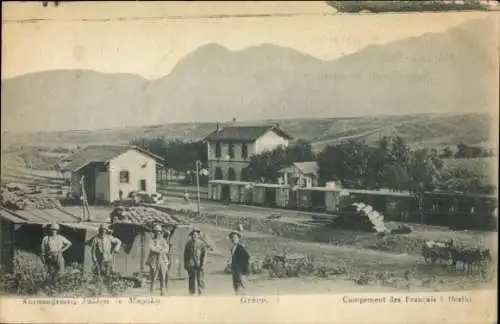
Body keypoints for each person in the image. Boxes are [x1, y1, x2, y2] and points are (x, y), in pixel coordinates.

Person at [147, 224, 170, 296]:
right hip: (154, 260)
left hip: (163, 260)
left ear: (161, 232)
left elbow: (167, 249)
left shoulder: (163, 240)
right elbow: (152, 248)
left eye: (159, 232)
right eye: (156, 232)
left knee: (163, 275)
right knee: (153, 275)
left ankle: (162, 290)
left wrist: (161, 249)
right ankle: (152, 291)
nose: (158, 233)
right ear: (154, 232)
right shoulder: (152, 240)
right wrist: (159, 249)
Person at [183, 228, 206, 295]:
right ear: (191, 236)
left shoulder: (201, 243)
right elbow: (185, 254)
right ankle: (191, 292)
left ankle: (201, 292)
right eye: (193, 235)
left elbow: (204, 254)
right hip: (191, 263)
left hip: (199, 263)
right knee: (191, 278)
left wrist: (203, 263)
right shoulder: (188, 243)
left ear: (198, 235)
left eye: (196, 235)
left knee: (200, 278)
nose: (195, 236)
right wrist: (185, 263)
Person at [228, 231, 250, 295]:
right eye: (232, 238)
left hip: (241, 272)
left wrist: (244, 272)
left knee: (241, 288)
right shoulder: (233, 248)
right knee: (236, 287)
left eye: (235, 237)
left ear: (238, 239)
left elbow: (246, 258)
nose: (233, 239)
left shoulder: (240, 248)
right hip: (235, 271)